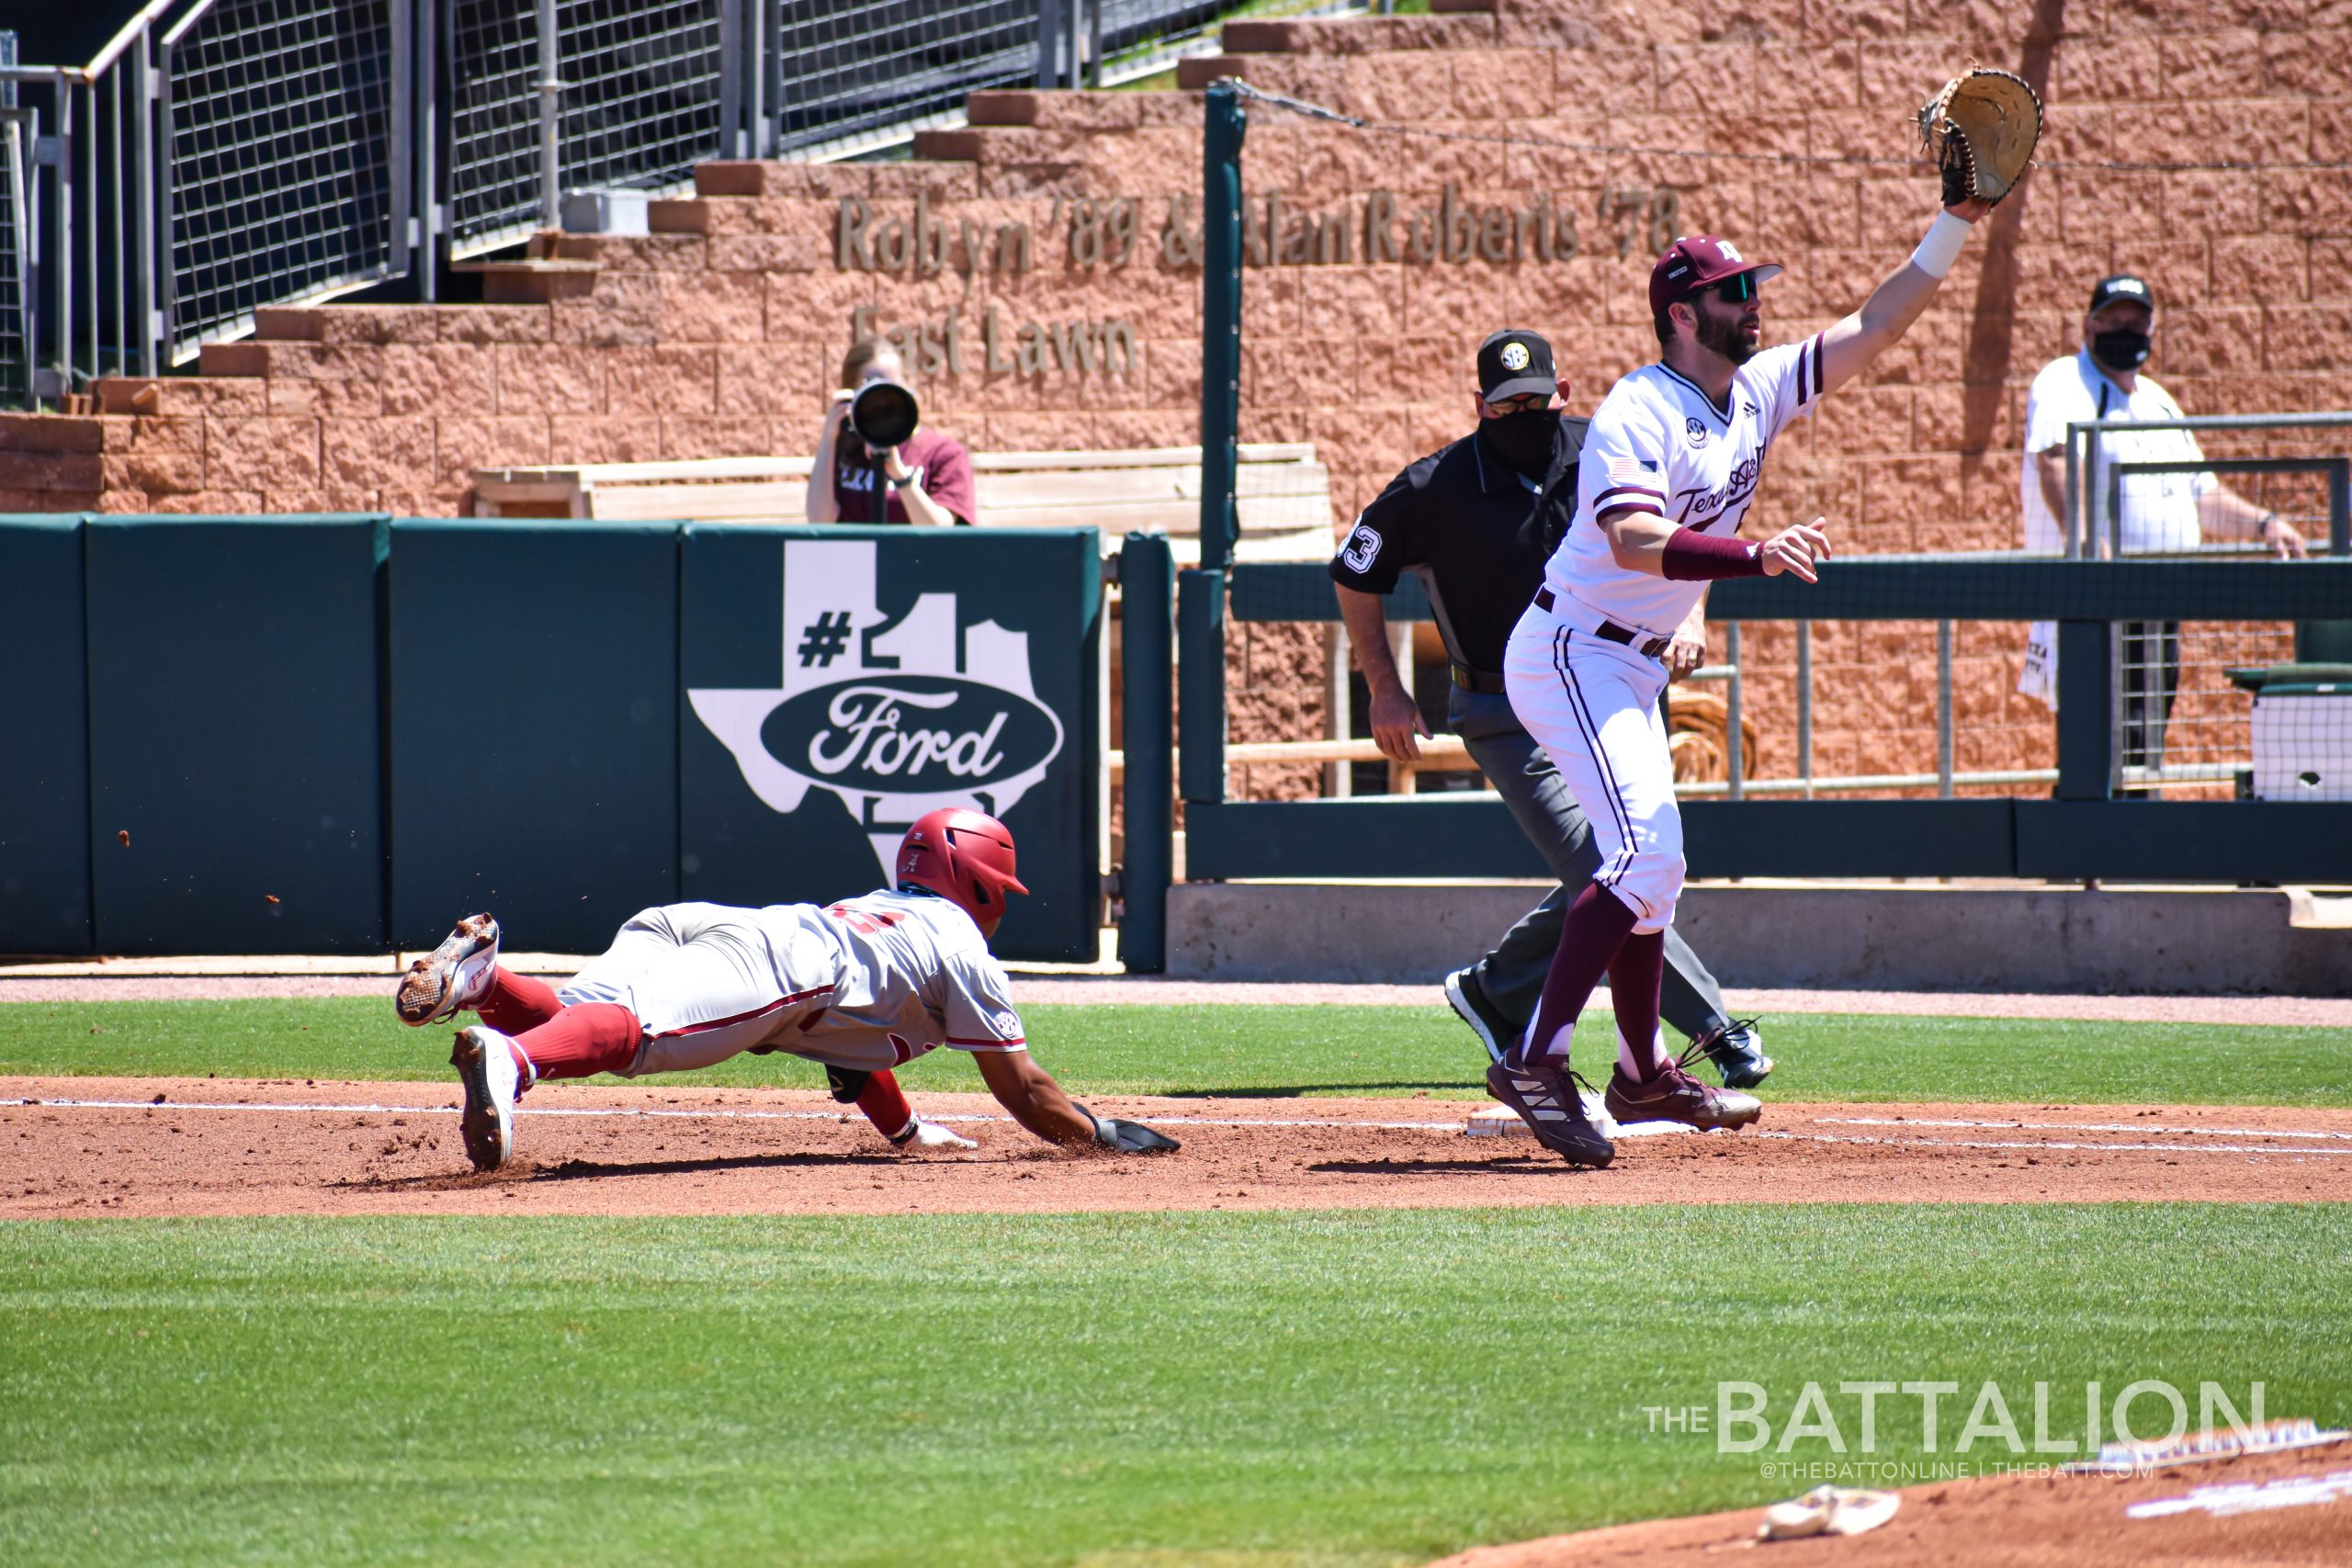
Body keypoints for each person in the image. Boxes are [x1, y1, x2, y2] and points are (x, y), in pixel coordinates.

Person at [1493, 191, 2003, 1169]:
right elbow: (1635, 540)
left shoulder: (1757, 389)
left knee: (1658, 871)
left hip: (1625, 663)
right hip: (1569, 651)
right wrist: (1753, 556)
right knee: (1642, 855)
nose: (1750, 302)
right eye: (1731, 291)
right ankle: (1533, 1059)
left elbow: (1877, 320)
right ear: (1682, 314)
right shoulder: (1640, 408)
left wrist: (1957, 223)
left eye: (1750, 287)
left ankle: (1640, 1071)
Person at [1329, 328, 1770, 1089]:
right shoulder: (1436, 485)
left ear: (1563, 393)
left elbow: (1688, 527)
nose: (1523, 413)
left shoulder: (1605, 445)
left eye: (1536, 399)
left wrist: (1692, 613)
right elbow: (1354, 568)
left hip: (1618, 680)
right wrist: (1385, 684)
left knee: (1637, 859)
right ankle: (1712, 1028)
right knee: (1614, 862)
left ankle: (1497, 989)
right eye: (1506, 406)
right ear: (1479, 406)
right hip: (1504, 704)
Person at [393, 808, 1175, 1171]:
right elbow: (1026, 1090)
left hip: (715, 928)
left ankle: (486, 982)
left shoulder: (887, 914)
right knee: (633, 1037)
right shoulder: (961, 944)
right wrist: (1098, 1133)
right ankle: (512, 1065)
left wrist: (905, 1134)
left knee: (583, 1020)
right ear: (979, 882)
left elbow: (854, 1059)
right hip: (784, 964)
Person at [2016, 275, 2305, 792]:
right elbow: (2053, 461)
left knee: (2144, 742)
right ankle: (2088, 861)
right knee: (2093, 738)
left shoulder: (2160, 403)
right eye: (2115, 319)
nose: (2127, 330)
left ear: (2153, 326)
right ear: (2090, 325)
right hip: (2094, 603)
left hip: (2157, 607)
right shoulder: (2063, 382)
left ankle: (2130, 850)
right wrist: (2087, 547)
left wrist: (2265, 524)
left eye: (2137, 320)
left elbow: (2204, 496)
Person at [804, 336, 978, 527]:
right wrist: (829, 436)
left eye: (890, 389)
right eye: (870, 391)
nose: (881, 401)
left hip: (914, 557)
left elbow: (940, 532)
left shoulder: (943, 453)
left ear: (909, 387)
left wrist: (899, 474)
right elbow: (820, 522)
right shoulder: (842, 450)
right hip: (855, 556)